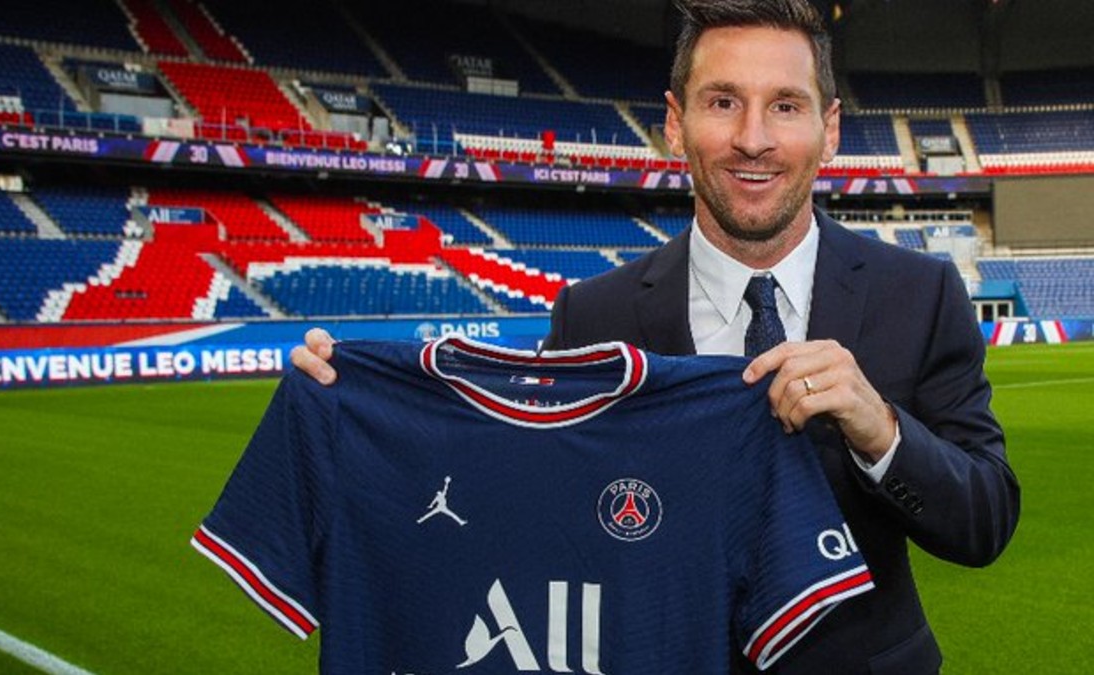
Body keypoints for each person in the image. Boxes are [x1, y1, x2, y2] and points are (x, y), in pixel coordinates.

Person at [292, 0, 1020, 672]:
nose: (753, 139)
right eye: (723, 101)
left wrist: (880, 430)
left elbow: (984, 522)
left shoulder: (920, 294)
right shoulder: (590, 317)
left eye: (785, 105)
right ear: (675, 123)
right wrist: (355, 417)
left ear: (829, 129)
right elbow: (524, 508)